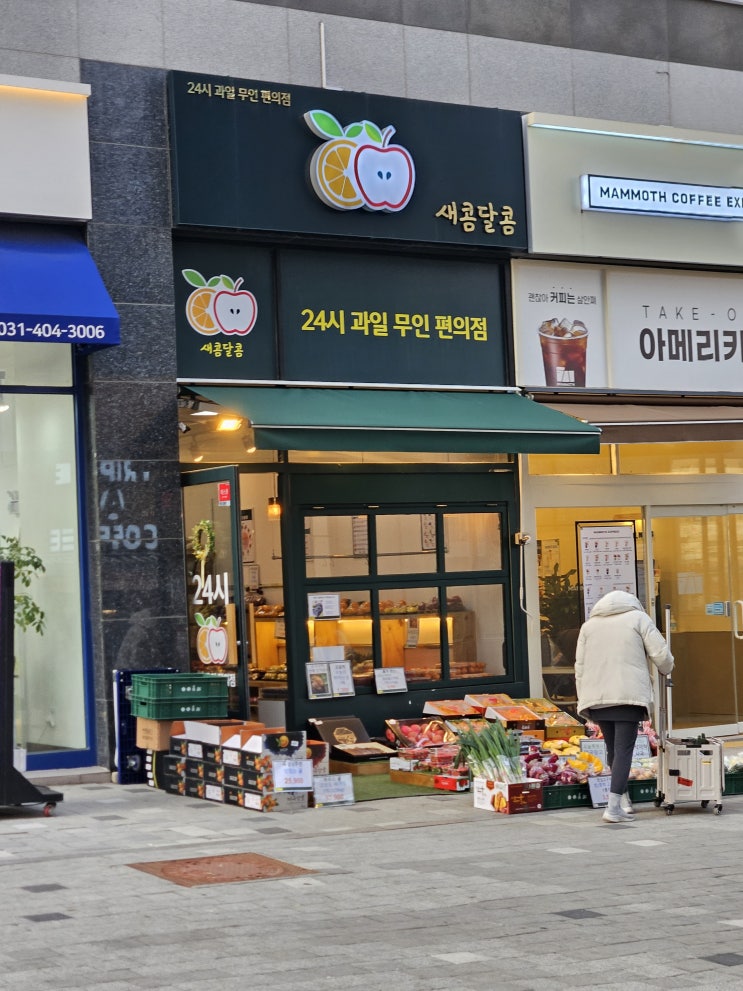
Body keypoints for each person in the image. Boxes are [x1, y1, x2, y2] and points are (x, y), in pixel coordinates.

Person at [574, 590, 674, 823]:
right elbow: (661, 654)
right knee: (624, 751)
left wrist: (584, 696)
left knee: (613, 750)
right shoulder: (638, 618)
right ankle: (613, 808)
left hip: (598, 698)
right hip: (627, 696)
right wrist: (668, 668)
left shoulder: (588, 626)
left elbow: (580, 666)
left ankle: (624, 801)